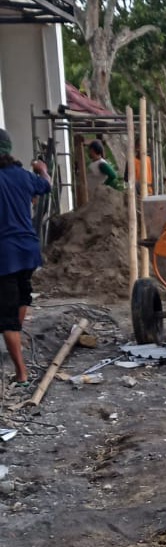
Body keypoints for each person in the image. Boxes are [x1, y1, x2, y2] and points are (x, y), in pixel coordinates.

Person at [0, 128, 51, 387]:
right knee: (22, 295)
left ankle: (21, 373)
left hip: (5, 255)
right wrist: (41, 168)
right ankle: (16, 337)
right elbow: (47, 185)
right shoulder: (24, 176)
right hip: (28, 250)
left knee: (7, 315)